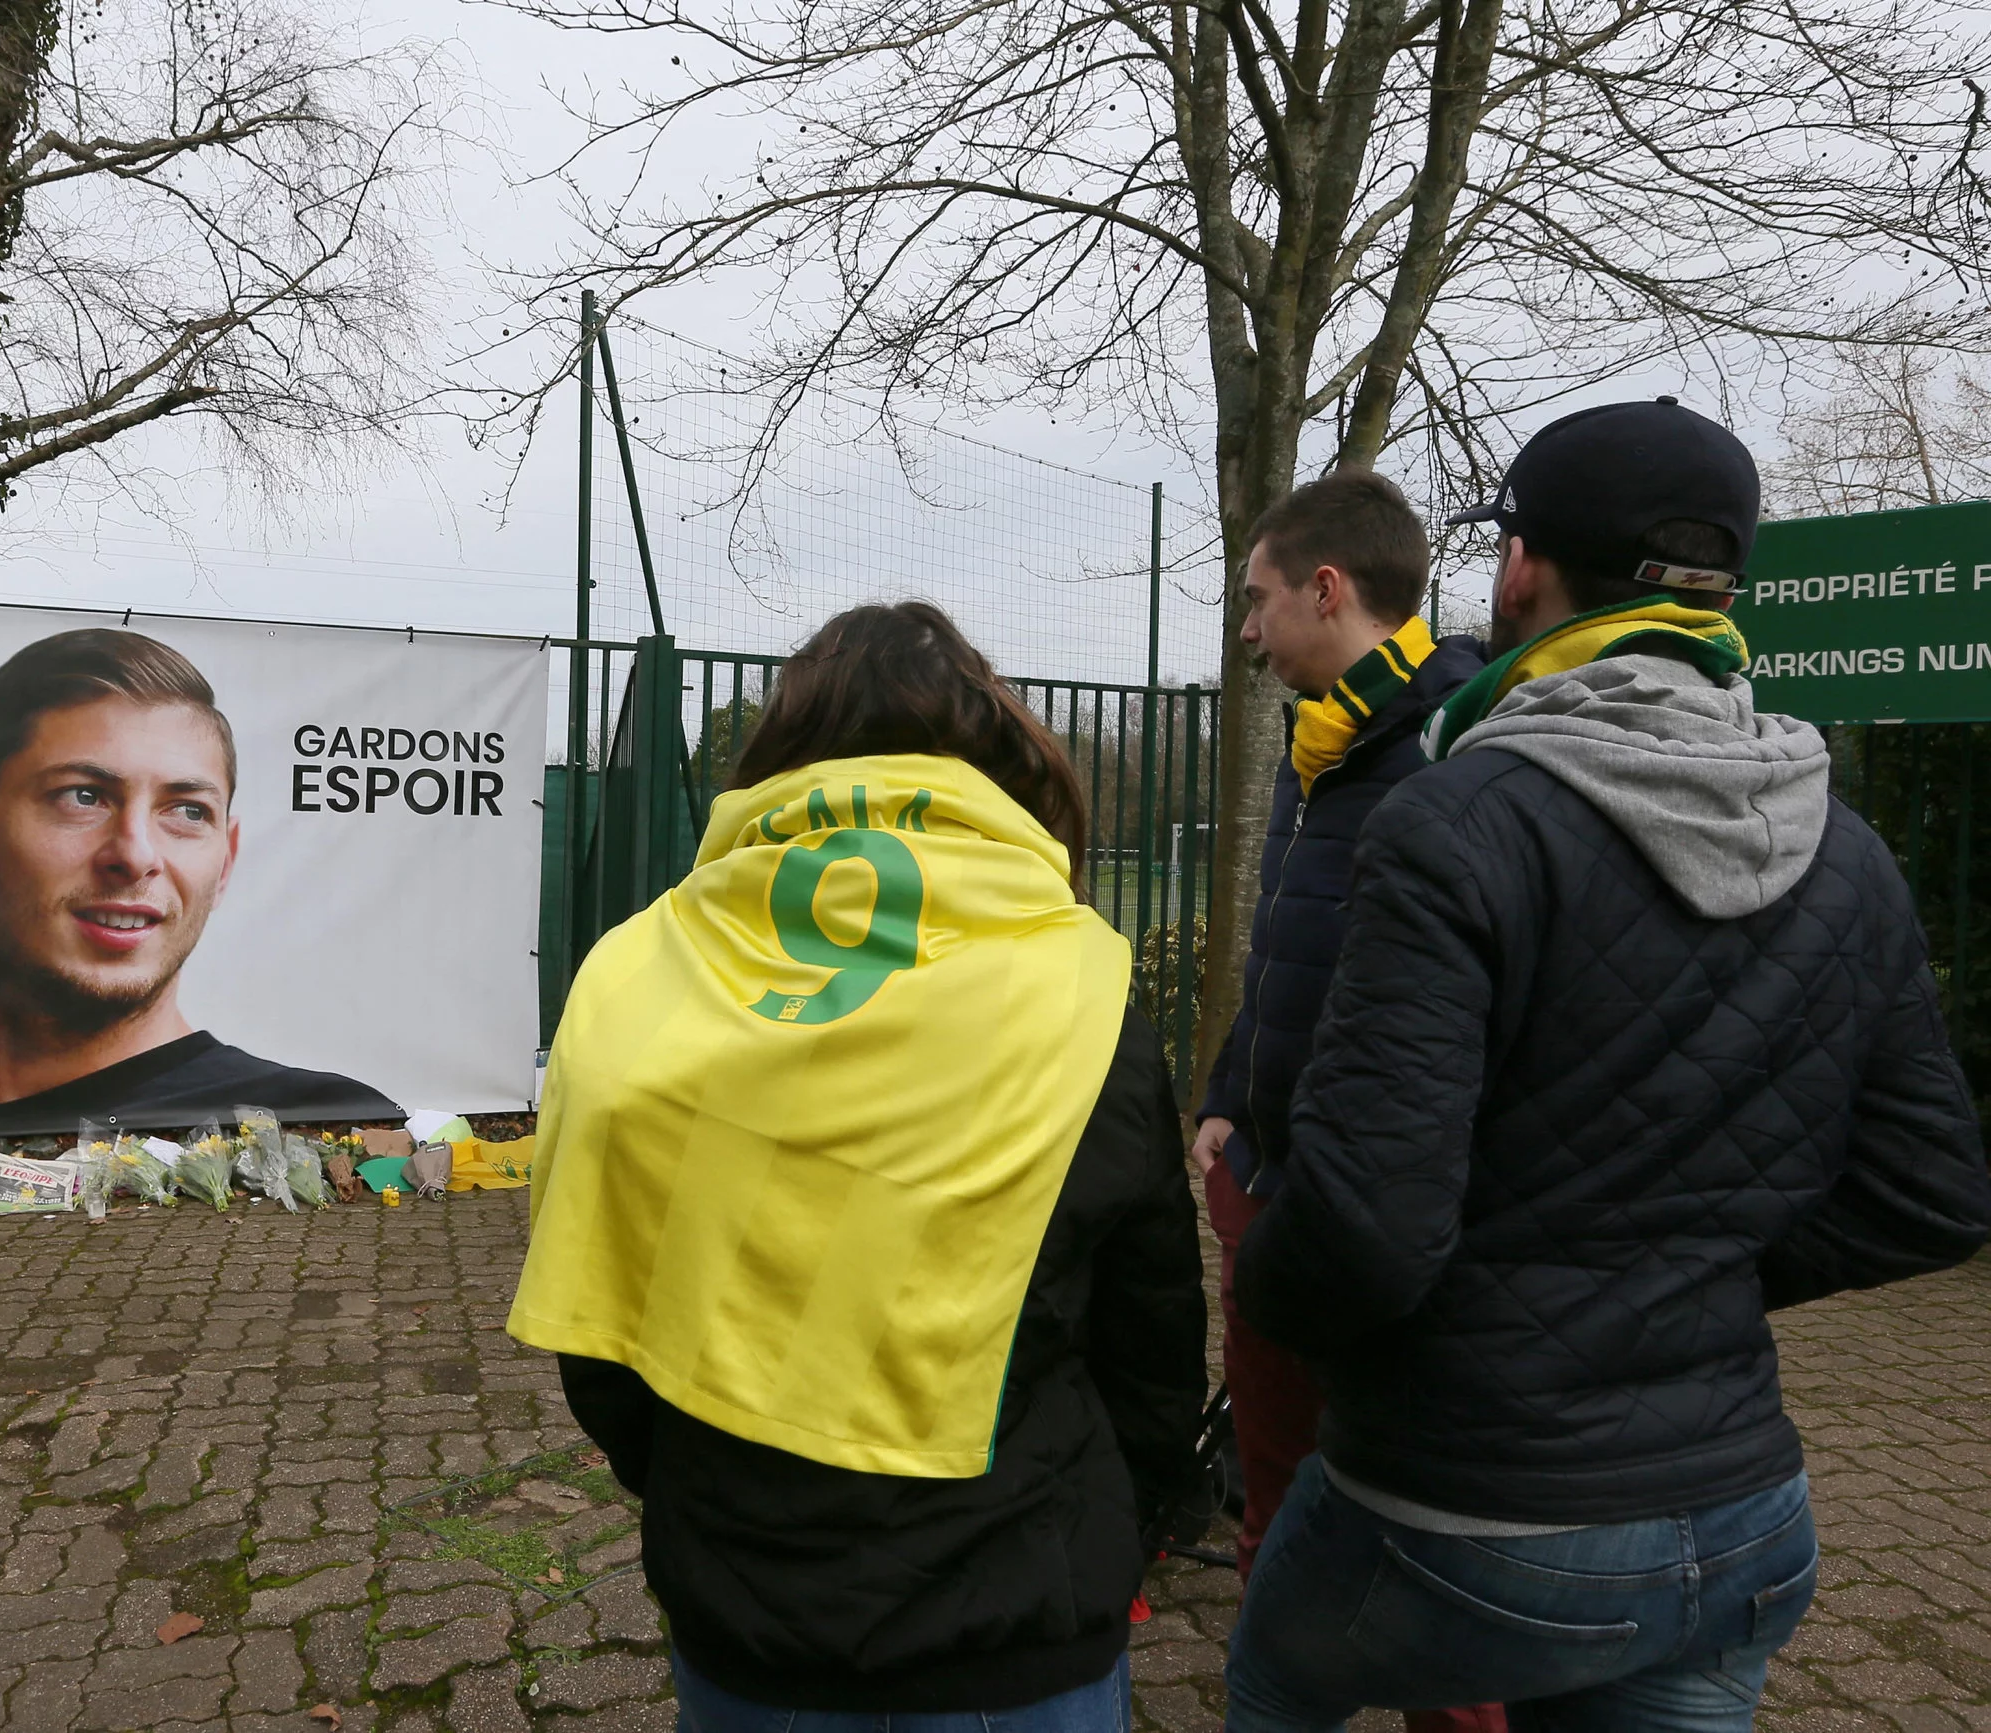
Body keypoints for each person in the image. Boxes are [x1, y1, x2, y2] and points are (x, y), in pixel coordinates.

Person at [1224, 399, 1991, 1731]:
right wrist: (1681, 1274)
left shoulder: (1454, 818)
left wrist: (1263, 1278)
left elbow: (1366, 1228)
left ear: (1522, 567)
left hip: (1476, 1510)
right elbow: (1933, 1190)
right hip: (1745, 1524)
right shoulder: (1846, 846)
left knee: (1274, 1673)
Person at [509, 602, 1208, 1728]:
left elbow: (607, 1333)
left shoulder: (636, 970)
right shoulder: (1079, 981)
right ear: (993, 746)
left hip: (742, 1618)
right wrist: (1112, 1525)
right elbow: (1150, 1330)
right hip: (1017, 1621)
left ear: (781, 745)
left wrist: (703, 1484)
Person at [1190, 472, 1500, 1733]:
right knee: (1275, 1497)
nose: (1248, 631)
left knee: (1423, 1528)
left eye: (1257, 601)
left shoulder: (1463, 746)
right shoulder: (1316, 744)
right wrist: (1225, 1097)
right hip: (1264, 1190)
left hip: (1390, 1215)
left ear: (1327, 588)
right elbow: (1286, 949)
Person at [0, 627, 400, 1136]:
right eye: (81, 796)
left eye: (188, 811)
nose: (136, 855)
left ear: (225, 863)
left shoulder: (322, 1126)